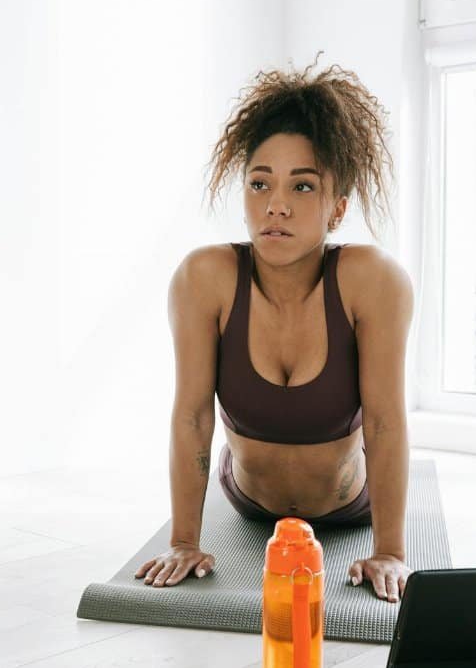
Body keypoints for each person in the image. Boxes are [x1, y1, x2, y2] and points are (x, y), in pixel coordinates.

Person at [133, 54, 414, 603]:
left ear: (338, 207)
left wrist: (391, 550)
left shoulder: (372, 279)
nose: (276, 205)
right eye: (260, 184)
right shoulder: (205, 277)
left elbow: (384, 422)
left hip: (347, 509)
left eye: (302, 187)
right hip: (249, 504)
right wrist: (185, 540)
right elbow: (191, 414)